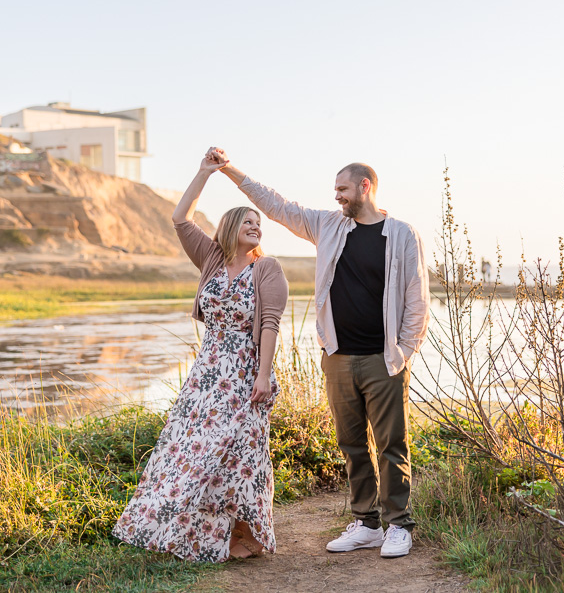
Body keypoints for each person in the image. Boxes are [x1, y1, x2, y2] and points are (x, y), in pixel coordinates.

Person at [206, 146, 430, 558]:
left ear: (365, 187)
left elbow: (417, 298)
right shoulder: (328, 226)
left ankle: (398, 525)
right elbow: (277, 205)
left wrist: (402, 352)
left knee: (391, 443)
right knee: (351, 443)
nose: (337, 196)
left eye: (343, 189)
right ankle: (366, 524)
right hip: (338, 357)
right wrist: (230, 171)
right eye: (335, 190)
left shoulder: (400, 233)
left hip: (384, 360)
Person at [112, 154, 289, 562]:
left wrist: (263, 376)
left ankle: (248, 532)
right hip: (207, 375)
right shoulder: (210, 259)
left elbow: (269, 326)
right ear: (229, 227)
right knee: (190, 450)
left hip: (246, 373)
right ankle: (195, 529)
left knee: (241, 453)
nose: (255, 226)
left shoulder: (268, 269)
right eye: (247, 221)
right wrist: (205, 173)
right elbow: (179, 217)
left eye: (258, 223)